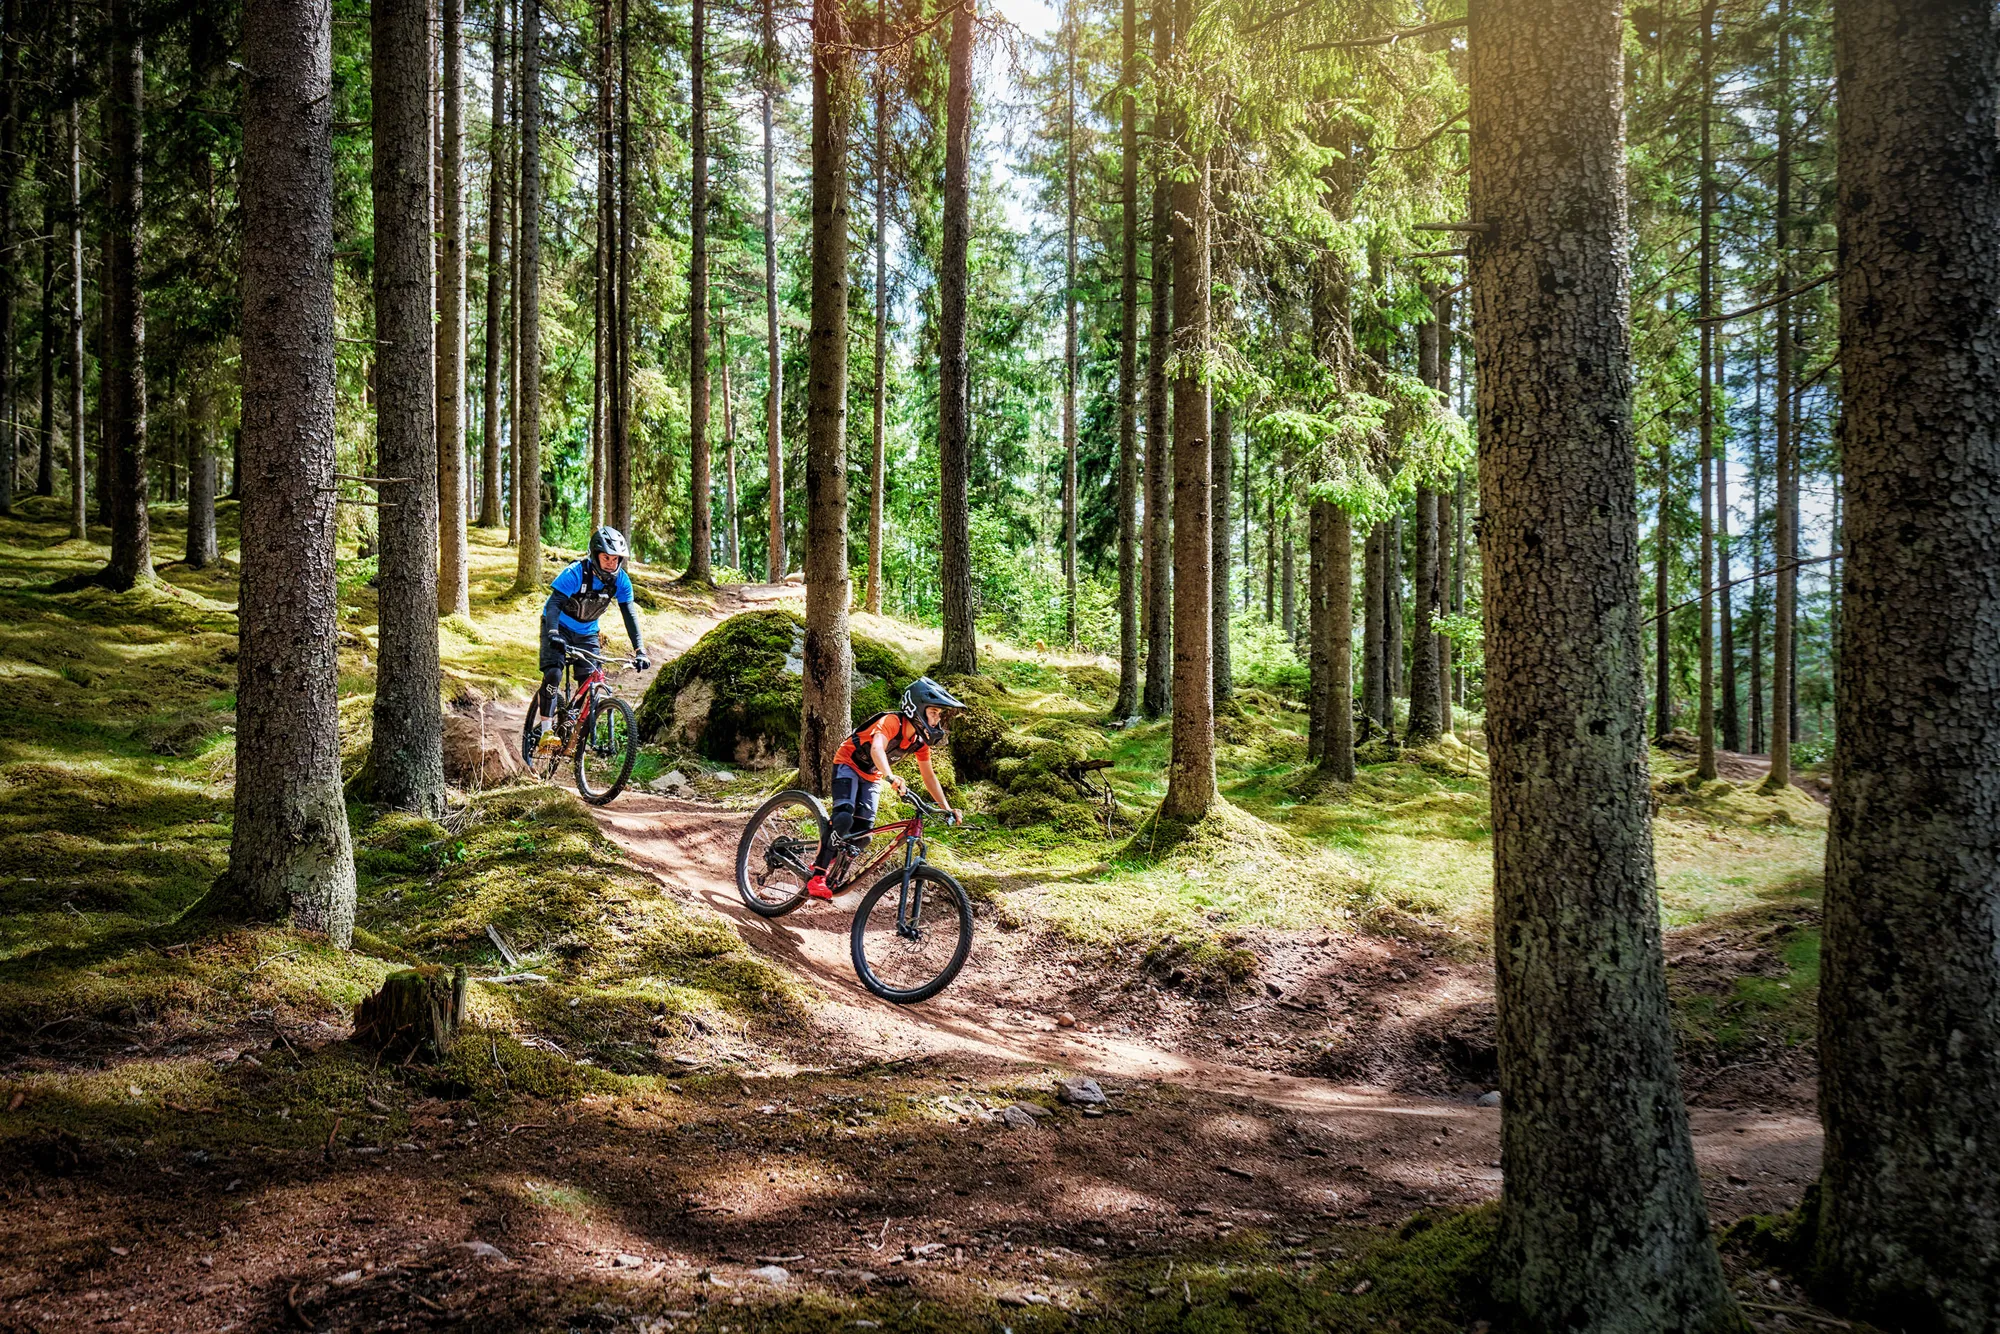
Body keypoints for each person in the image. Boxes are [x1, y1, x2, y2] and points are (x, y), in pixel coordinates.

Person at [805, 676, 965, 900]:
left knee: (863, 836)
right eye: (934, 713)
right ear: (917, 709)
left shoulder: (919, 741)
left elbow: (929, 776)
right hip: (848, 764)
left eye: (939, 715)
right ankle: (817, 875)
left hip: (871, 775)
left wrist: (946, 808)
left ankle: (831, 853)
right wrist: (890, 777)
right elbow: (877, 750)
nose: (937, 720)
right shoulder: (891, 722)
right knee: (843, 818)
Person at [532, 526, 650, 751]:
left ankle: (574, 730)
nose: (610, 563)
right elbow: (555, 604)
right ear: (595, 555)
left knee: (590, 683)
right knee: (554, 673)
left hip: (587, 633)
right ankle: (546, 731)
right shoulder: (575, 572)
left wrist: (640, 650)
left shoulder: (621, 582)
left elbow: (629, 614)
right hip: (558, 626)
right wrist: (553, 633)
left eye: (615, 559)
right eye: (606, 557)